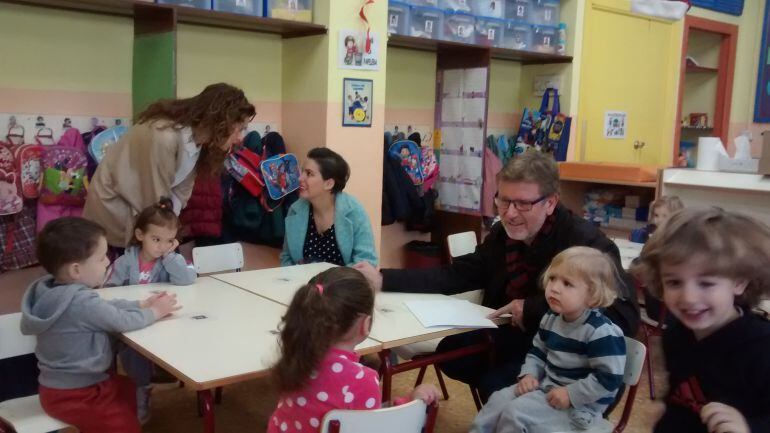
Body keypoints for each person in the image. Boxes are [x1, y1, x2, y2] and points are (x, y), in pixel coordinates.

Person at [354, 151, 638, 401]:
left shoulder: (585, 243)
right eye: (503, 200)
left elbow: (623, 315)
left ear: (550, 203)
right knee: (453, 353)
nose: (509, 214)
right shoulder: (503, 236)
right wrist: (383, 279)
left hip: (572, 358)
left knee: (496, 384)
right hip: (521, 337)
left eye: (523, 204)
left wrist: (533, 307)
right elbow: (456, 275)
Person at [20, 217, 180, 433]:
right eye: (102, 257)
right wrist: (156, 311)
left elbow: (105, 307)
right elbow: (120, 320)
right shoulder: (81, 302)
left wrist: (140, 303)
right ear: (76, 270)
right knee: (124, 425)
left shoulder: (52, 290)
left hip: (57, 389)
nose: (107, 262)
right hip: (76, 393)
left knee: (126, 389)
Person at [633, 208, 770, 433]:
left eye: (706, 283)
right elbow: (682, 395)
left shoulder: (762, 348)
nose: (689, 298)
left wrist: (750, 428)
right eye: (675, 282)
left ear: (739, 282)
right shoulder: (676, 335)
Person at [471, 247, 626, 433]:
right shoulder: (551, 318)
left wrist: (570, 394)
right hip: (547, 388)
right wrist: (530, 374)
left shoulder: (600, 332)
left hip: (581, 407)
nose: (554, 288)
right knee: (498, 401)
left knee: (516, 414)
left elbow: (609, 379)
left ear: (592, 295)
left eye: (567, 283)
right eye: (553, 278)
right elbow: (538, 352)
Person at [84, 83, 256, 249]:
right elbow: (153, 197)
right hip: (115, 216)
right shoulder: (164, 136)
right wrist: (166, 238)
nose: (240, 137)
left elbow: (180, 193)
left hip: (145, 220)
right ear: (220, 122)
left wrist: (168, 231)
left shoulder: (198, 142)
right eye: (239, 128)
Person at [268, 267, 439, 433]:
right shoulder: (362, 380)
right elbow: (374, 427)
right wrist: (410, 403)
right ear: (366, 324)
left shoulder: (296, 356)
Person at [105, 197, 196, 424]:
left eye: (169, 241)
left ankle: (162, 374)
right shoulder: (125, 262)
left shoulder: (169, 259)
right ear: (140, 236)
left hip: (162, 318)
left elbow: (186, 280)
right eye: (156, 239)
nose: (162, 246)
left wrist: (171, 256)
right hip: (136, 319)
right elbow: (107, 292)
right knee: (131, 350)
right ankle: (141, 387)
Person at [280, 148, 378, 267]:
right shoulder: (295, 210)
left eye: (309, 174)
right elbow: (287, 257)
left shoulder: (354, 212)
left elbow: (366, 261)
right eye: (302, 172)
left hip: (343, 284)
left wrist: (329, 282)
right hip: (302, 284)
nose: (300, 178)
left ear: (329, 184)